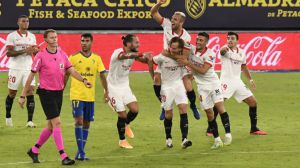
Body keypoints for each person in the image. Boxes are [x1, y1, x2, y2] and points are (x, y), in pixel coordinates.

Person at [18, 29, 92, 165]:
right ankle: (63, 156)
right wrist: (23, 95)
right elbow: (31, 76)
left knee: (51, 127)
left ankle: (34, 150)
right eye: (51, 38)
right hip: (46, 93)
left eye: (56, 37)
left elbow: (71, 70)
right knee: (57, 123)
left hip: (58, 93)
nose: (55, 39)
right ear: (45, 40)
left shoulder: (62, 54)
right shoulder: (40, 56)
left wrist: (83, 79)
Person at [177, 32, 232, 149]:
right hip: (202, 87)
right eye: (197, 40)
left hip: (213, 84)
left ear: (206, 42)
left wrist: (188, 63)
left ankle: (228, 135)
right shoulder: (191, 49)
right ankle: (217, 140)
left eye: (201, 40)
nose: (198, 42)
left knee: (219, 107)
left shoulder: (210, 54)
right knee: (209, 113)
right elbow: (181, 43)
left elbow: (203, 71)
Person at [206, 32, 267, 136]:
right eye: (228, 38)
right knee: (218, 104)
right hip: (226, 82)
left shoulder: (242, 53)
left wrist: (250, 80)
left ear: (237, 41)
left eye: (232, 38)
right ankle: (210, 129)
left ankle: (254, 129)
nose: (230, 40)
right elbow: (221, 51)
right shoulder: (225, 49)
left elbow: (244, 66)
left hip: (237, 82)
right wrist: (224, 49)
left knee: (253, 102)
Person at [150, 0, 200, 120]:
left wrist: (168, 53)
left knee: (188, 85)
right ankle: (163, 105)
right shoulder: (166, 25)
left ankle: (193, 105)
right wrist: (159, 4)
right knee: (156, 79)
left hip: (178, 62)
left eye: (175, 19)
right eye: (172, 18)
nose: (172, 20)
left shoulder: (186, 37)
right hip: (165, 60)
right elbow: (153, 12)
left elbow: (184, 57)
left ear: (181, 22)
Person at [65, 33, 109, 160]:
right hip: (77, 95)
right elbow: (66, 74)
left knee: (87, 124)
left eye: (87, 41)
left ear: (92, 42)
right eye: (82, 41)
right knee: (78, 121)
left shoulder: (97, 58)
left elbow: (101, 76)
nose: (84, 43)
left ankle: (80, 154)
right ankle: (81, 152)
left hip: (90, 97)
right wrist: (61, 88)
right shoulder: (73, 57)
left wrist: (106, 91)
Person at [107, 34, 150, 149]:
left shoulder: (133, 54)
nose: (139, 44)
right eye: (136, 42)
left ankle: (126, 124)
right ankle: (122, 141)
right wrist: (140, 54)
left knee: (135, 110)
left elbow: (143, 60)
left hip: (125, 87)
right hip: (112, 88)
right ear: (129, 44)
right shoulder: (118, 53)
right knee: (122, 114)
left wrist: (155, 60)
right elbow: (124, 56)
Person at [148, 37, 192, 149]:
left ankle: (184, 139)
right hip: (166, 87)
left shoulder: (182, 59)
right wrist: (153, 76)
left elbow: (190, 71)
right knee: (169, 114)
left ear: (180, 49)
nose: (172, 50)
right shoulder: (162, 57)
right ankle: (168, 138)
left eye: (175, 48)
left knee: (183, 109)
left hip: (178, 86)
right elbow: (151, 61)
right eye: (171, 47)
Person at [5, 15, 39, 127]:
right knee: (12, 93)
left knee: (30, 91)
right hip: (15, 68)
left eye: (27, 21)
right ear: (18, 23)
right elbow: (9, 53)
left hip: (29, 67)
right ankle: (8, 116)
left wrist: (35, 51)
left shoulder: (32, 36)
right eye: (23, 21)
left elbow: (35, 53)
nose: (26, 23)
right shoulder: (12, 36)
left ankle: (30, 121)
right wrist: (25, 50)